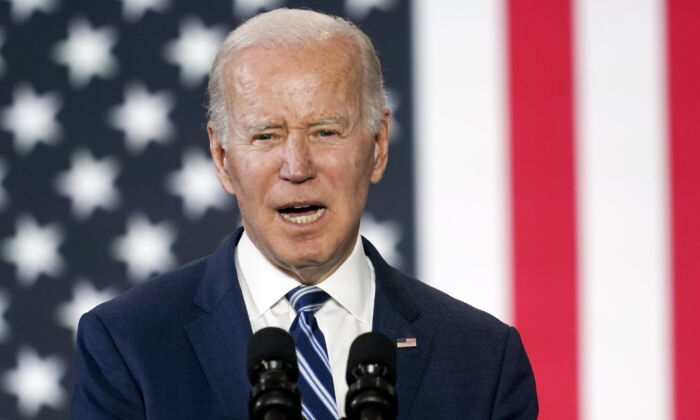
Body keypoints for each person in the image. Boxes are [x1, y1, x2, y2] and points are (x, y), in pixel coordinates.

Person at [71, 8, 538, 420]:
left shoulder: (481, 360)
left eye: (326, 132)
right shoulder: (129, 345)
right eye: (266, 136)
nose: (297, 167)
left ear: (377, 146)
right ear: (221, 156)